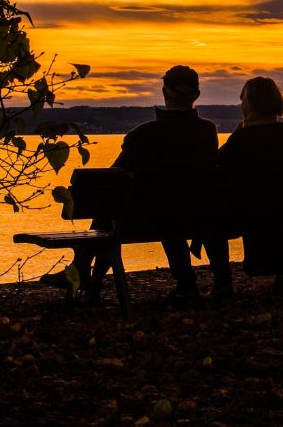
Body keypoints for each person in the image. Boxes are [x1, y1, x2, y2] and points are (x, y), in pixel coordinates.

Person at [41, 65, 221, 299]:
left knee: (112, 204)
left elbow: (114, 177)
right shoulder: (207, 132)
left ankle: (83, 272)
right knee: (144, 206)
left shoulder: (145, 134)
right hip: (196, 215)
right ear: (196, 95)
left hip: (146, 219)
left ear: (165, 93)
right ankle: (184, 282)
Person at [216, 76, 283, 283]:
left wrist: (237, 132)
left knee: (210, 220)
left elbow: (217, 166)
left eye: (242, 99)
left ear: (249, 103)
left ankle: (222, 283)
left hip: (253, 214)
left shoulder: (241, 139)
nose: (241, 104)